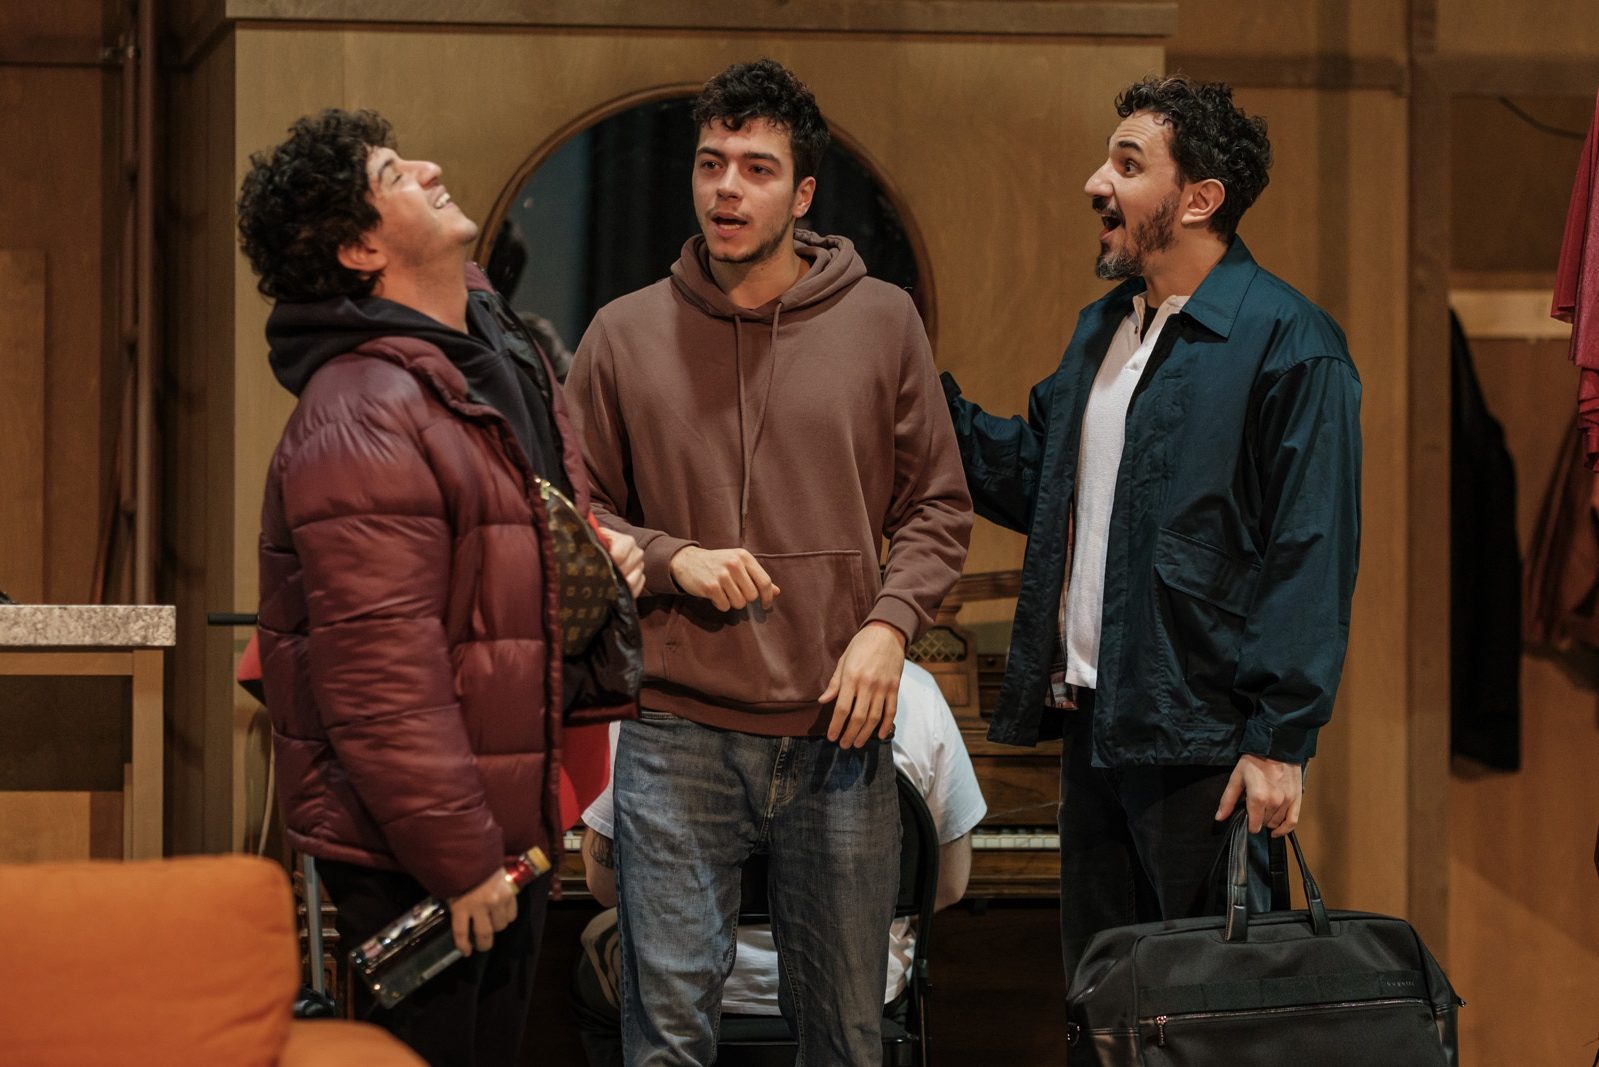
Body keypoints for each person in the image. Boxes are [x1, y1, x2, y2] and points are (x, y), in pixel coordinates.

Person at [565, 58, 972, 1066]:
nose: (727, 188)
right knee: (665, 1042)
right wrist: (674, 560)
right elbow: (574, 517)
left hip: (837, 730)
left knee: (845, 1038)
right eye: (711, 164)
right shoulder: (622, 333)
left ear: (801, 194)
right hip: (673, 730)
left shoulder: (883, 321)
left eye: (756, 168)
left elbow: (936, 506)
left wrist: (889, 628)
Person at [240, 108, 644, 1066]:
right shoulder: (363, 411)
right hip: (422, 847)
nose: (427, 166)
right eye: (392, 173)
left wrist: (590, 560)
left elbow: (487, 575)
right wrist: (462, 861)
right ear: (358, 248)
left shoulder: (475, 362)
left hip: (490, 815)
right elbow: (381, 675)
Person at [942, 75, 1362, 979]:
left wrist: (1278, 741)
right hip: (1097, 718)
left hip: (1206, 739)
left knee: (1208, 1009)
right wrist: (911, 388)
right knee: (1102, 998)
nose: (1096, 182)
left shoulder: (1291, 341)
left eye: (1127, 166)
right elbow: (1039, 481)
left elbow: (1310, 551)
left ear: (1199, 199)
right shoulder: (1105, 328)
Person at [569, 660, 987, 1067]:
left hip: (706, 991)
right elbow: (950, 884)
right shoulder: (918, 691)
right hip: (861, 988)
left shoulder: (662, 683)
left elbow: (604, 885)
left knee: (598, 972)